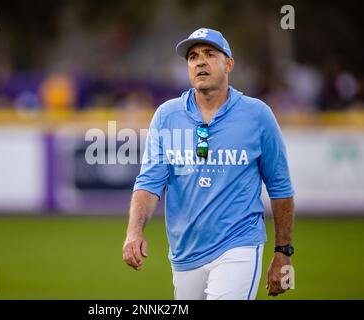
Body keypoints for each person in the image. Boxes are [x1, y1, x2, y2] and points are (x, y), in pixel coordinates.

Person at [122, 28, 295, 300]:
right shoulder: (167, 116)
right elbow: (149, 183)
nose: (200, 61)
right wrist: (134, 231)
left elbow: (280, 187)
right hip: (185, 253)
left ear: (229, 64)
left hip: (240, 246)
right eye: (192, 57)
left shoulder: (257, 115)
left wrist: (283, 253)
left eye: (209, 54)